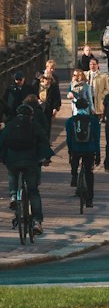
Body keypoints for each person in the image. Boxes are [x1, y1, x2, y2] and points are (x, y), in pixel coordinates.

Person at [0, 100, 50, 235]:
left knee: (12, 174)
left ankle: (12, 197)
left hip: (13, 160)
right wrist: (46, 157)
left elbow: (2, 141)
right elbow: (44, 140)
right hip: (30, 161)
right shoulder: (34, 125)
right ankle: (37, 222)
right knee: (33, 192)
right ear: (31, 115)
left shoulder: (10, 125)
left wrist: (3, 157)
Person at [65, 93, 100, 207]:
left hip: (76, 148)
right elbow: (97, 138)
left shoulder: (70, 121)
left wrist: (70, 151)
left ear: (76, 107)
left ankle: (74, 175)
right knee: (89, 173)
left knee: (74, 160)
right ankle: (89, 199)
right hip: (90, 149)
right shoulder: (93, 121)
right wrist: (98, 154)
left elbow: (69, 138)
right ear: (87, 107)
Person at [37, 60, 61, 137]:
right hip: (40, 103)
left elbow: (57, 93)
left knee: (48, 123)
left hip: (49, 103)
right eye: (51, 68)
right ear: (47, 67)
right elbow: (34, 88)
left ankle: (47, 140)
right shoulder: (39, 75)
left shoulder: (55, 77)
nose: (52, 70)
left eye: (54, 68)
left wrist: (56, 106)